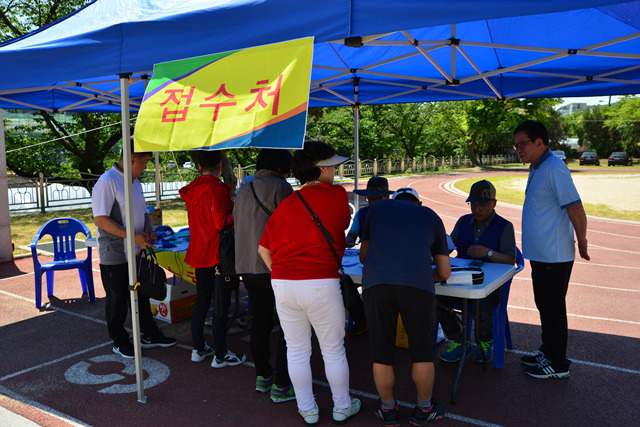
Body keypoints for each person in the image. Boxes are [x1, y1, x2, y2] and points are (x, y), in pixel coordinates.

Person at [258, 141, 361, 425]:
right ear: (321, 169)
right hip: (320, 282)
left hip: (283, 283)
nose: (335, 171)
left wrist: (282, 273)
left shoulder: (287, 203)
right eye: (333, 166)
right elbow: (343, 223)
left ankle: (307, 409)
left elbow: (263, 249)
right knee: (333, 350)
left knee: (297, 350)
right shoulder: (336, 194)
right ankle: (342, 406)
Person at [360, 187, 450, 426]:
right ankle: (424, 409)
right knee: (422, 353)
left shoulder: (377, 208)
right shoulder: (430, 215)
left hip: (377, 284)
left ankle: (388, 409)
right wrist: (423, 273)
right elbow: (444, 272)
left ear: (394, 199)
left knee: (381, 355)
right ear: (417, 203)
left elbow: (364, 256)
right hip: (417, 287)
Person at [513, 120, 590, 379]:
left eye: (522, 144)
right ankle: (548, 350)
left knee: (553, 309)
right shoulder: (537, 167)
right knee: (544, 306)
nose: (519, 149)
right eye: (516, 145)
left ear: (539, 142)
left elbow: (575, 207)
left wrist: (582, 240)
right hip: (542, 254)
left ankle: (557, 363)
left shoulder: (555, 168)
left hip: (554, 256)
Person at [92, 138, 176, 359]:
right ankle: (119, 341)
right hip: (115, 254)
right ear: (131, 160)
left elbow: (143, 211)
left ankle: (150, 334)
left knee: (141, 295)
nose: (146, 167)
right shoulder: (107, 181)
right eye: (144, 162)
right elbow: (100, 219)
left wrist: (148, 230)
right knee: (117, 300)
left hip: (136, 251)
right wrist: (133, 235)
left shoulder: (135, 181)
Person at [234, 149, 295, 402]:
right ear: (281, 167)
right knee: (289, 325)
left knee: (260, 320)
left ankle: (263, 375)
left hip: (246, 266)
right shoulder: (281, 187)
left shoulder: (243, 188)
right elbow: (292, 227)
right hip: (273, 265)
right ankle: (282, 383)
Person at [437, 180, 516, 364]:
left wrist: (488, 253)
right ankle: (459, 341)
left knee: (484, 302)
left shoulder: (505, 226)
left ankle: (484, 343)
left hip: (491, 285)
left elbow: (510, 260)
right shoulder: (463, 221)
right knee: (436, 297)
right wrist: (441, 247)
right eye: (473, 205)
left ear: (494, 203)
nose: (477, 209)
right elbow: (450, 245)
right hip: (462, 280)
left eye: (482, 205)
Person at [179, 150, 246, 368]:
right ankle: (221, 353)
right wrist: (240, 211)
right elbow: (220, 222)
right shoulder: (217, 189)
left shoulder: (193, 189)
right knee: (220, 304)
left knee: (202, 300)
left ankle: (198, 348)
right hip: (218, 254)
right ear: (220, 165)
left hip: (200, 251)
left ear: (199, 166)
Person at [346, 176, 394, 247]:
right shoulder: (361, 214)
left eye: (377, 198)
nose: (373, 202)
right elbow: (351, 235)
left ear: (387, 197)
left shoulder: (394, 213)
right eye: (370, 199)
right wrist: (349, 239)